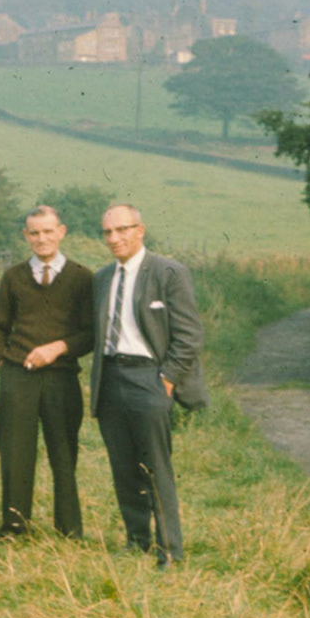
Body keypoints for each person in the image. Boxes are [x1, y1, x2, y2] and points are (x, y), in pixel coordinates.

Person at [89, 203, 208, 567]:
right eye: (108, 232)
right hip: (109, 378)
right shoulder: (102, 279)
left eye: (122, 229)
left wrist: (167, 379)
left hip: (150, 378)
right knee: (123, 466)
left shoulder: (169, 272)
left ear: (140, 230)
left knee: (156, 466)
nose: (114, 238)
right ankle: (136, 540)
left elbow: (190, 335)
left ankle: (169, 550)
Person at [0, 206, 95, 539]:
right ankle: (15, 526)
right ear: (26, 236)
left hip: (61, 377)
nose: (41, 239)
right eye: (34, 233)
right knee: (16, 452)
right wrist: (4, 365)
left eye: (48, 231)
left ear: (61, 232)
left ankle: (69, 529)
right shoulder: (13, 277)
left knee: (64, 451)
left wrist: (57, 348)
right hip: (18, 377)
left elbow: (90, 333)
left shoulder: (82, 278)